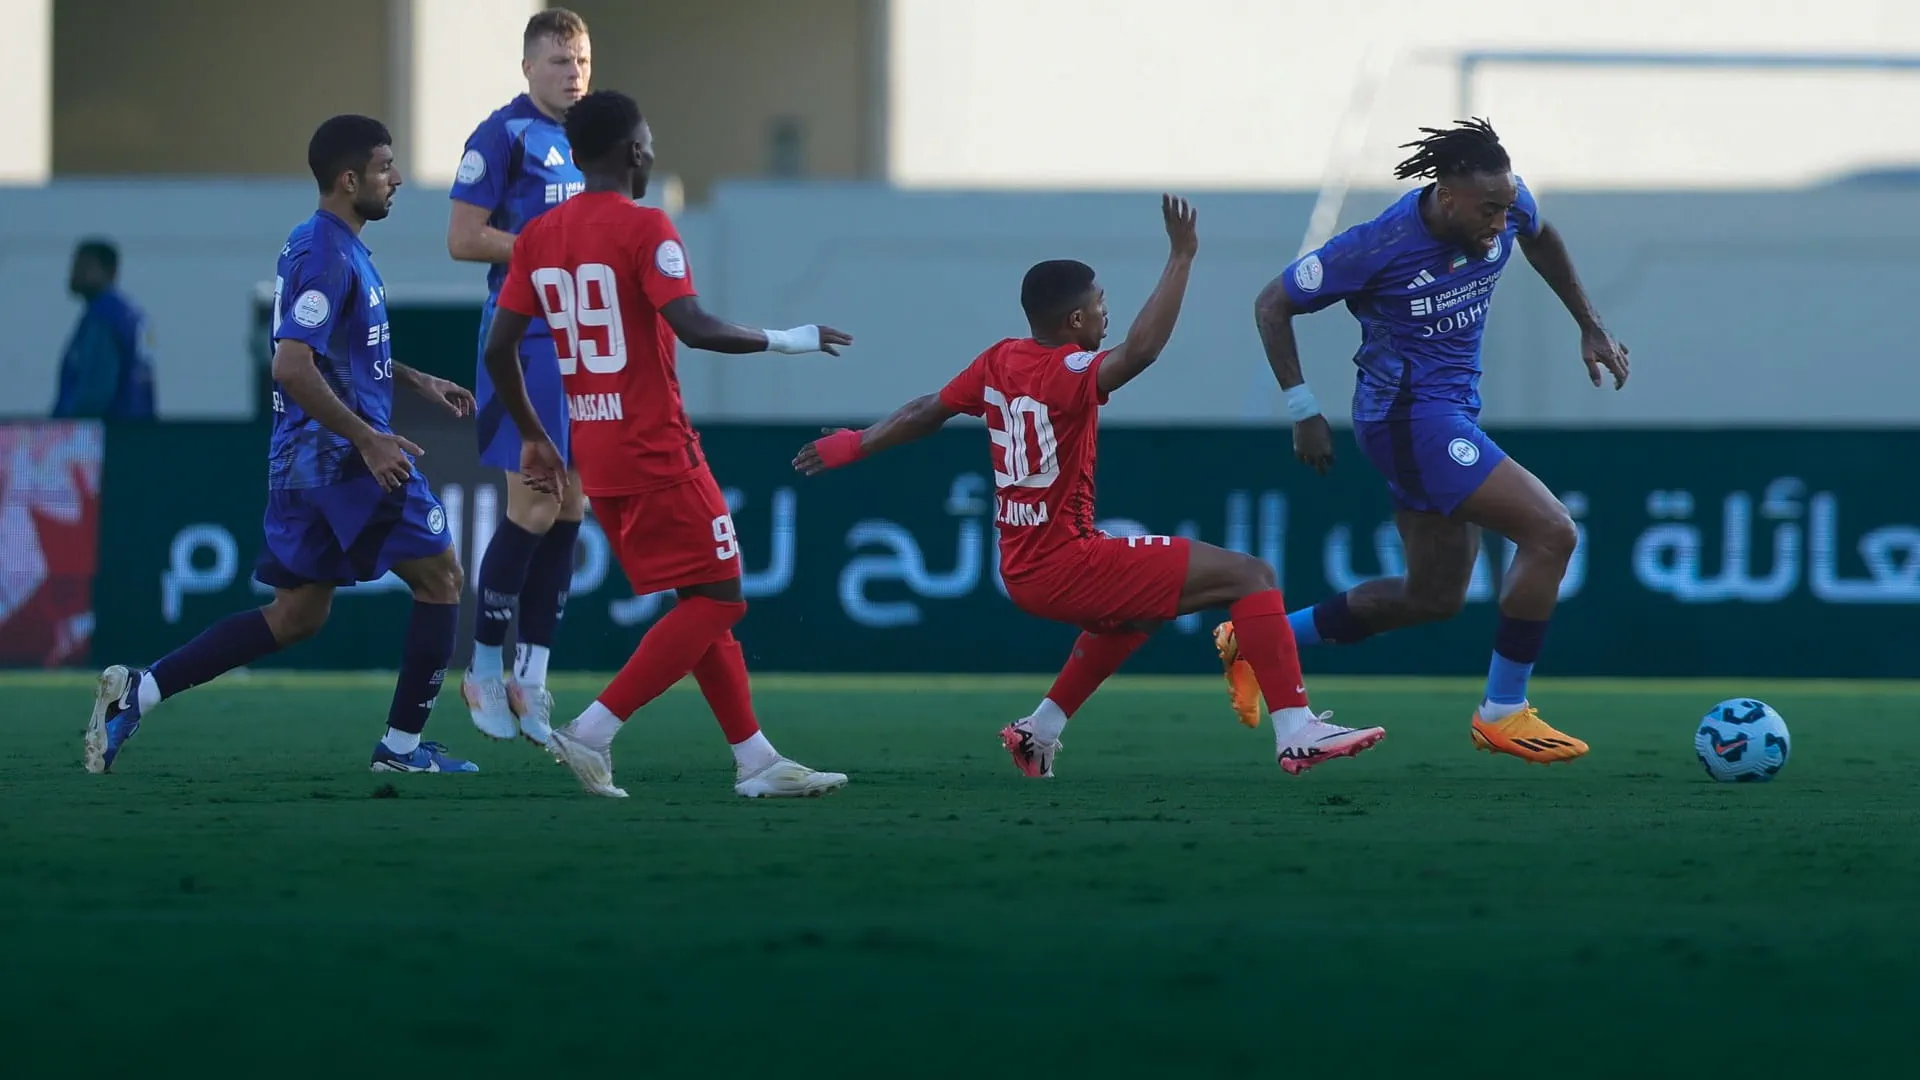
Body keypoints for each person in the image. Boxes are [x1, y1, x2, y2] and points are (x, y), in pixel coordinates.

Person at [795, 196, 1384, 778]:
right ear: (1075, 322)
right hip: (1066, 561)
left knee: (1138, 614)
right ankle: (1296, 730)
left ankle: (1039, 729)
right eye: (1101, 305)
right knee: (1252, 575)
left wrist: (852, 444)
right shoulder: (1068, 370)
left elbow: (925, 410)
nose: (1108, 314)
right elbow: (1142, 351)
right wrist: (1181, 257)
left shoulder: (998, 360)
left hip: (1022, 564)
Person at [84, 115, 480, 776]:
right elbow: (291, 365)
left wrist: (414, 379)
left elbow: (340, 354)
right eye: (387, 166)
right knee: (442, 578)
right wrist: (370, 439)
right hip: (345, 462)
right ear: (349, 179)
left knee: (297, 614)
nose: (400, 178)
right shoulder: (329, 253)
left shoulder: (320, 244)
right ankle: (403, 750)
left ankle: (138, 692)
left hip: (302, 465)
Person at [484, 90, 852, 799]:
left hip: (593, 448)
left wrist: (533, 434)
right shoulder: (645, 226)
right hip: (656, 447)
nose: (652, 151)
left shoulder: (537, 235)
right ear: (632, 152)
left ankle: (756, 760)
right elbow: (692, 324)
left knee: (699, 601)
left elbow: (501, 347)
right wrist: (789, 339)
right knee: (722, 601)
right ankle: (593, 730)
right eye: (647, 141)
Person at [1236, 118, 1630, 765]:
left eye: (1507, 208)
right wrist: (1303, 407)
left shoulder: (1505, 202)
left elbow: (1543, 236)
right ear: (1446, 195)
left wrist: (1589, 325)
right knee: (1552, 532)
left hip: (1446, 415)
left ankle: (1259, 638)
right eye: (1489, 211)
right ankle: (1502, 711)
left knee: (1433, 598)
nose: (1502, 223)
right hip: (1412, 422)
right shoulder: (1375, 246)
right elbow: (1270, 304)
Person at [447, 7, 592, 746]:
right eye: (561, 61)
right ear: (529, 67)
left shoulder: (585, 142)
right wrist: (544, 251)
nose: (574, 74)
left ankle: (530, 678)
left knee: (573, 508)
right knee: (535, 503)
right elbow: (463, 239)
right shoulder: (501, 135)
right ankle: (478, 668)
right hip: (523, 341)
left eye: (582, 62)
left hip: (581, 347)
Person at [52, 238, 157, 421]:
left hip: (104, 436)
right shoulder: (130, 316)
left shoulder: (104, 316)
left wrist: (70, 428)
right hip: (136, 432)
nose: (75, 273)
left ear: (110, 271)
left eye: (84, 266)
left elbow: (97, 388)